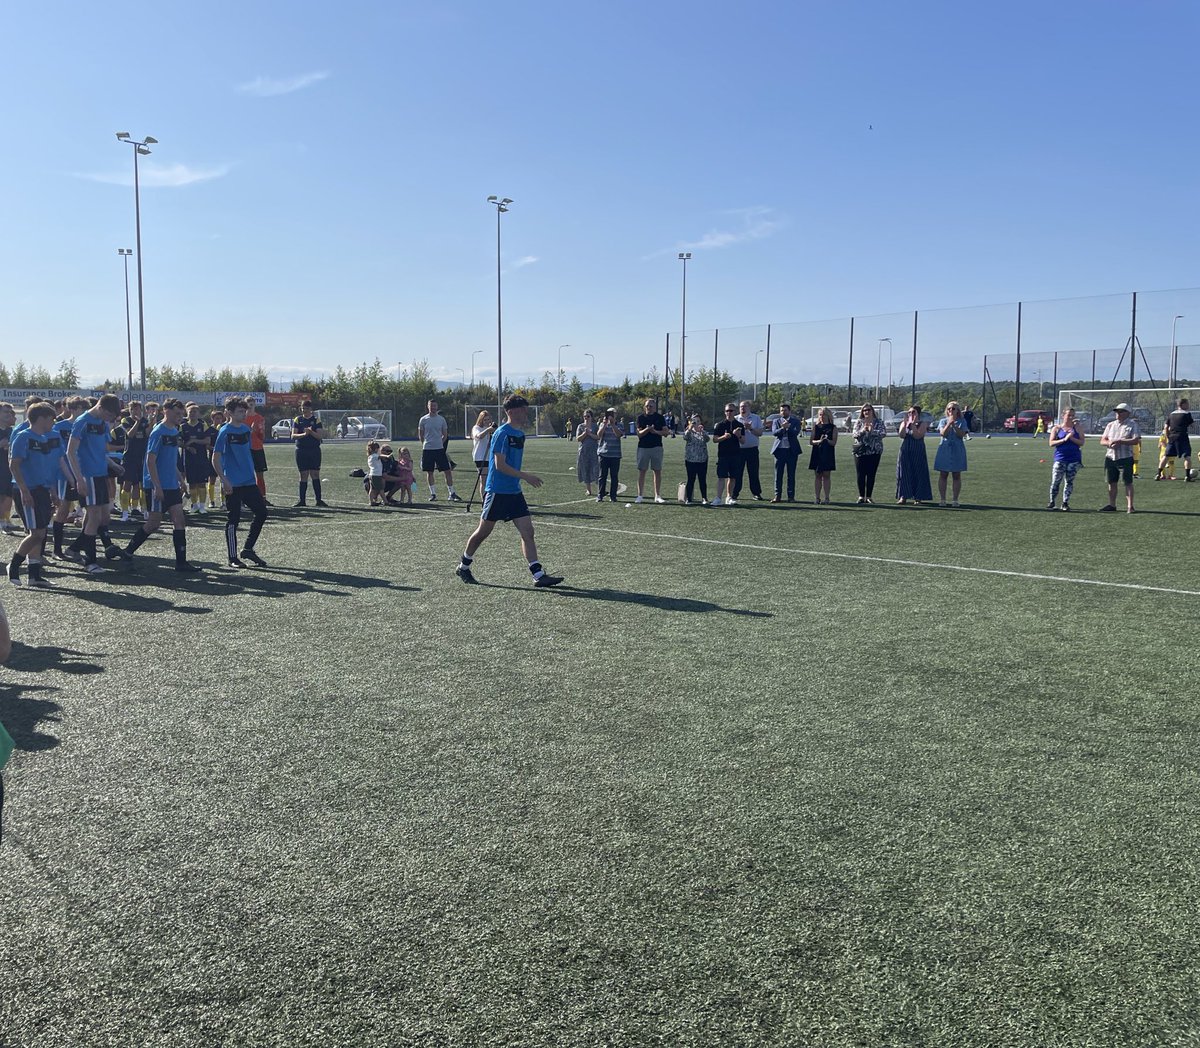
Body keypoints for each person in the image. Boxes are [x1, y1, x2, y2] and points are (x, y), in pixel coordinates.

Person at [455, 394, 563, 587]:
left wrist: (520, 479)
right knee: (482, 532)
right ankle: (463, 566)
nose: (525, 413)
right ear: (511, 411)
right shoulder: (501, 433)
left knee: (528, 532)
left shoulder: (520, 434)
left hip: (514, 492)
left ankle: (538, 574)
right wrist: (526, 476)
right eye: (522, 409)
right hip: (497, 491)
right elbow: (499, 465)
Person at [122, 398, 200, 573]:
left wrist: (181, 480)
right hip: (157, 485)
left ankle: (181, 563)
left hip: (171, 484)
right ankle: (128, 551)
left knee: (179, 521)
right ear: (166, 411)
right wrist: (157, 486)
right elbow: (151, 461)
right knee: (153, 524)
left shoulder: (174, 431)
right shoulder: (158, 432)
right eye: (177, 414)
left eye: (182, 414)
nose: (181, 417)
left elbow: (170, 461)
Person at [65, 393, 129, 571]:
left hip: (101, 474)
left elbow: (101, 450)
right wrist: (79, 479)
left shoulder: (102, 423)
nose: (110, 419)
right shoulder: (83, 421)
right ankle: (90, 561)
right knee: (94, 518)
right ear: (100, 407)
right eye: (109, 415)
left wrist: (113, 465)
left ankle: (74, 548)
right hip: (88, 475)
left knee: (103, 517)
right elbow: (70, 452)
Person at [7, 404, 65, 587]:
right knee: (36, 533)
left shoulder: (46, 438)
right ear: (42, 418)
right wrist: (24, 491)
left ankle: (34, 576)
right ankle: (14, 565)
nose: (53, 423)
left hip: (42, 490)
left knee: (41, 533)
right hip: (28, 490)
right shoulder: (24, 437)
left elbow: (48, 469)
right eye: (51, 419)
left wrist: (53, 492)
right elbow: (14, 465)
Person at [212, 398, 270, 567]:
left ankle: (248, 549)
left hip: (249, 482)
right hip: (234, 484)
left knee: (262, 512)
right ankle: (232, 558)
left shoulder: (246, 429)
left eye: (244, 411)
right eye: (239, 411)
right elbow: (215, 458)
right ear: (229, 413)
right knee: (233, 520)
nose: (243, 414)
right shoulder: (224, 431)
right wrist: (224, 480)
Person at [1100, 402, 1141, 513]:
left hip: (1125, 457)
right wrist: (1109, 443)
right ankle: (1112, 505)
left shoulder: (1132, 424)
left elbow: (1136, 440)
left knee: (1127, 482)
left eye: (1121, 411)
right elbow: (1102, 440)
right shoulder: (1110, 425)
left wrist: (1121, 441)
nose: (1118, 413)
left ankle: (1130, 506)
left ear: (1127, 413)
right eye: (1117, 411)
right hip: (1110, 457)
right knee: (1111, 482)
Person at [418, 400, 460, 502]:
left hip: (439, 449)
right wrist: (426, 444)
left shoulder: (441, 419)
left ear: (437, 407)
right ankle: (433, 494)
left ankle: (452, 493)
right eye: (431, 406)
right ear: (428, 407)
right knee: (430, 472)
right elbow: (421, 435)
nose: (433, 408)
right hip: (427, 449)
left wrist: (439, 443)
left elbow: (445, 435)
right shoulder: (423, 419)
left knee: (447, 471)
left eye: (435, 406)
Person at [1047, 407, 1084, 511]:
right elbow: (1051, 443)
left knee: (1069, 481)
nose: (1071, 417)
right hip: (1060, 458)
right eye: (1069, 415)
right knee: (1056, 481)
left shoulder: (1077, 428)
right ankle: (1052, 502)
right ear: (1063, 416)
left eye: (1073, 415)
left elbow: (1082, 442)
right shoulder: (1057, 428)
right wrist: (1064, 439)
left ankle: (1065, 502)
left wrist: (1072, 438)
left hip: (1073, 459)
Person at [118, 401, 150, 521]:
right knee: (127, 484)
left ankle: (138, 509)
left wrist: (151, 421)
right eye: (133, 409)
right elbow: (130, 434)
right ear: (130, 410)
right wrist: (137, 422)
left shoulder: (145, 421)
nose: (136, 412)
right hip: (129, 457)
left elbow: (148, 433)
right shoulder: (126, 421)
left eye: (138, 409)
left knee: (140, 485)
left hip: (141, 456)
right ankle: (125, 512)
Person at [292, 400, 328, 506]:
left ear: (310, 409)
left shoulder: (316, 420)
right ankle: (302, 501)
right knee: (303, 475)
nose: (304, 410)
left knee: (315, 474)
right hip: (301, 450)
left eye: (307, 408)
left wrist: (311, 432)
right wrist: (304, 434)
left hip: (314, 450)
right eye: (303, 408)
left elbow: (320, 436)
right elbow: (293, 435)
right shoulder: (298, 420)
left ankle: (318, 500)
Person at [634, 397, 670, 504]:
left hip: (656, 447)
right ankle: (640, 495)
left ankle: (657, 495)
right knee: (642, 471)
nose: (648, 408)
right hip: (643, 447)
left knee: (657, 471)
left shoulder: (660, 418)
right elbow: (639, 434)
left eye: (651, 406)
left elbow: (666, 433)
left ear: (655, 407)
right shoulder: (640, 418)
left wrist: (655, 431)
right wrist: (647, 429)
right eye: (647, 406)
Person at [933, 401, 968, 507]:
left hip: (957, 449)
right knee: (943, 474)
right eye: (949, 409)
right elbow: (943, 433)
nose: (950, 411)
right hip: (945, 449)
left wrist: (955, 426)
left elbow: (962, 434)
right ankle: (942, 499)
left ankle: (955, 500)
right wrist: (949, 423)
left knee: (956, 474)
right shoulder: (943, 421)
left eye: (953, 409)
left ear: (957, 410)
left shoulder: (962, 421)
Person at [895, 405, 932, 505]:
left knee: (918, 472)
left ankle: (918, 497)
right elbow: (902, 435)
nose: (911, 414)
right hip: (906, 450)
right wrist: (906, 424)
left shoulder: (923, 424)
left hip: (917, 449)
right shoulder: (904, 423)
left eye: (913, 412)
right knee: (904, 473)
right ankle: (903, 496)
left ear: (918, 414)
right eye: (909, 412)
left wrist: (913, 425)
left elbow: (917, 436)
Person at [851, 403, 886, 504]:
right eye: (864, 410)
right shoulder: (859, 422)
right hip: (860, 451)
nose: (866, 412)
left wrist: (872, 431)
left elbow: (883, 433)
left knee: (871, 474)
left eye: (868, 410)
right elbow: (854, 434)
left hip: (874, 451)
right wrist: (863, 430)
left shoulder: (878, 422)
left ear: (872, 411)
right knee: (860, 474)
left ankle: (869, 496)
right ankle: (861, 496)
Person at [712, 403, 745, 506]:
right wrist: (724, 437)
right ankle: (718, 498)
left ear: (735, 412)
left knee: (733, 477)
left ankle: (729, 497)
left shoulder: (739, 425)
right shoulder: (720, 425)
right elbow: (715, 439)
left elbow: (743, 441)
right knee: (721, 476)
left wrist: (738, 435)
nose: (729, 413)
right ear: (724, 412)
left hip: (735, 454)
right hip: (723, 455)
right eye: (727, 411)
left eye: (731, 411)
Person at [732, 400, 765, 501]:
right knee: (737, 473)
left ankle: (756, 493)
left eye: (745, 406)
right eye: (741, 407)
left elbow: (760, 433)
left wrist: (750, 428)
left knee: (753, 472)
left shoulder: (756, 418)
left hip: (752, 450)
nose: (742, 408)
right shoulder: (735, 419)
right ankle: (734, 493)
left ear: (749, 408)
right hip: (739, 450)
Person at [769, 403, 801, 503]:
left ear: (789, 411)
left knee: (791, 474)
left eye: (785, 410)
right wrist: (783, 428)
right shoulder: (776, 421)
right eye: (782, 410)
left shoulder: (795, 421)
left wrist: (788, 427)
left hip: (791, 451)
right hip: (779, 451)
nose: (783, 412)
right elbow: (774, 433)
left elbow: (795, 433)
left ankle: (791, 496)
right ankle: (777, 496)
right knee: (778, 474)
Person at [1161, 397, 1195, 481]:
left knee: (1166, 456)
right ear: (1182, 404)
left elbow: (1166, 427)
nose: (1188, 405)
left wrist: (1168, 436)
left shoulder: (1171, 414)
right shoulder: (1187, 414)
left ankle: (1158, 474)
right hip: (1182, 437)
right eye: (1187, 403)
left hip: (1172, 438)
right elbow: (1193, 426)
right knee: (1187, 456)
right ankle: (1187, 476)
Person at [808, 407, 838, 504]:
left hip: (828, 453)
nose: (822, 416)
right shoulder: (816, 427)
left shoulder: (833, 427)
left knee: (826, 475)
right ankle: (817, 498)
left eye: (824, 414)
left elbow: (834, 442)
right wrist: (819, 441)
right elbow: (811, 441)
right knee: (817, 475)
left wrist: (826, 440)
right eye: (820, 414)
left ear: (828, 415)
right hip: (817, 453)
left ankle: (827, 498)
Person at [244, 400, 270, 503]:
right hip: (246, 450)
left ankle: (262, 498)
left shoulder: (260, 418)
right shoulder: (242, 418)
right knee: (247, 475)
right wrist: (250, 430)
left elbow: (262, 437)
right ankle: (247, 499)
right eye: (248, 405)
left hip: (258, 449)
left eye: (251, 404)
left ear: (255, 405)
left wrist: (259, 431)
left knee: (260, 475)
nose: (249, 406)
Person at [596, 408, 623, 502]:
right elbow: (599, 435)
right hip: (603, 453)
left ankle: (613, 495)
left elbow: (619, 435)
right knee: (602, 476)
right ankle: (600, 494)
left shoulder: (619, 424)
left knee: (614, 476)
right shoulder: (602, 424)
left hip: (615, 454)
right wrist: (604, 424)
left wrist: (612, 424)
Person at [682, 414, 710, 505]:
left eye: (698, 421)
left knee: (702, 480)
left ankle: (704, 498)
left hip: (702, 460)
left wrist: (702, 431)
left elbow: (707, 439)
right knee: (691, 479)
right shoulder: (689, 432)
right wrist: (690, 429)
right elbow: (685, 437)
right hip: (690, 459)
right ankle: (689, 498)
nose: (696, 423)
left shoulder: (703, 432)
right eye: (694, 421)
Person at [471, 411, 496, 499]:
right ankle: (484, 500)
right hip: (480, 456)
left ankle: (491, 498)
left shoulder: (491, 429)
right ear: (481, 420)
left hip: (490, 456)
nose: (487, 421)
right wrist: (488, 430)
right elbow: (479, 436)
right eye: (485, 419)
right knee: (484, 479)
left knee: (492, 479)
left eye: (488, 419)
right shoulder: (477, 428)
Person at [0, 403, 17, 534]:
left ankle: (5, 520)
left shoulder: (11, 431)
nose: (9, 415)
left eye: (10, 412)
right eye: (6, 412)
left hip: (9, 467)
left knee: (8, 494)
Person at [575, 411, 599, 496]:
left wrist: (590, 434)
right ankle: (589, 490)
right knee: (585, 470)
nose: (586, 418)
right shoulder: (580, 426)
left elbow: (598, 437)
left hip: (594, 451)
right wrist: (585, 433)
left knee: (596, 469)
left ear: (591, 417)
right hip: (583, 451)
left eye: (588, 416)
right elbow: (578, 439)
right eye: (585, 416)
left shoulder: (595, 426)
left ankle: (600, 489)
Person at [365, 441, 384, 506]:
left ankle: (371, 501)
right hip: (376, 475)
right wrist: (387, 456)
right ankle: (385, 501)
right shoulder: (374, 456)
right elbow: (380, 457)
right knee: (381, 489)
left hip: (372, 474)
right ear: (376, 449)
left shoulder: (370, 456)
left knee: (372, 489)